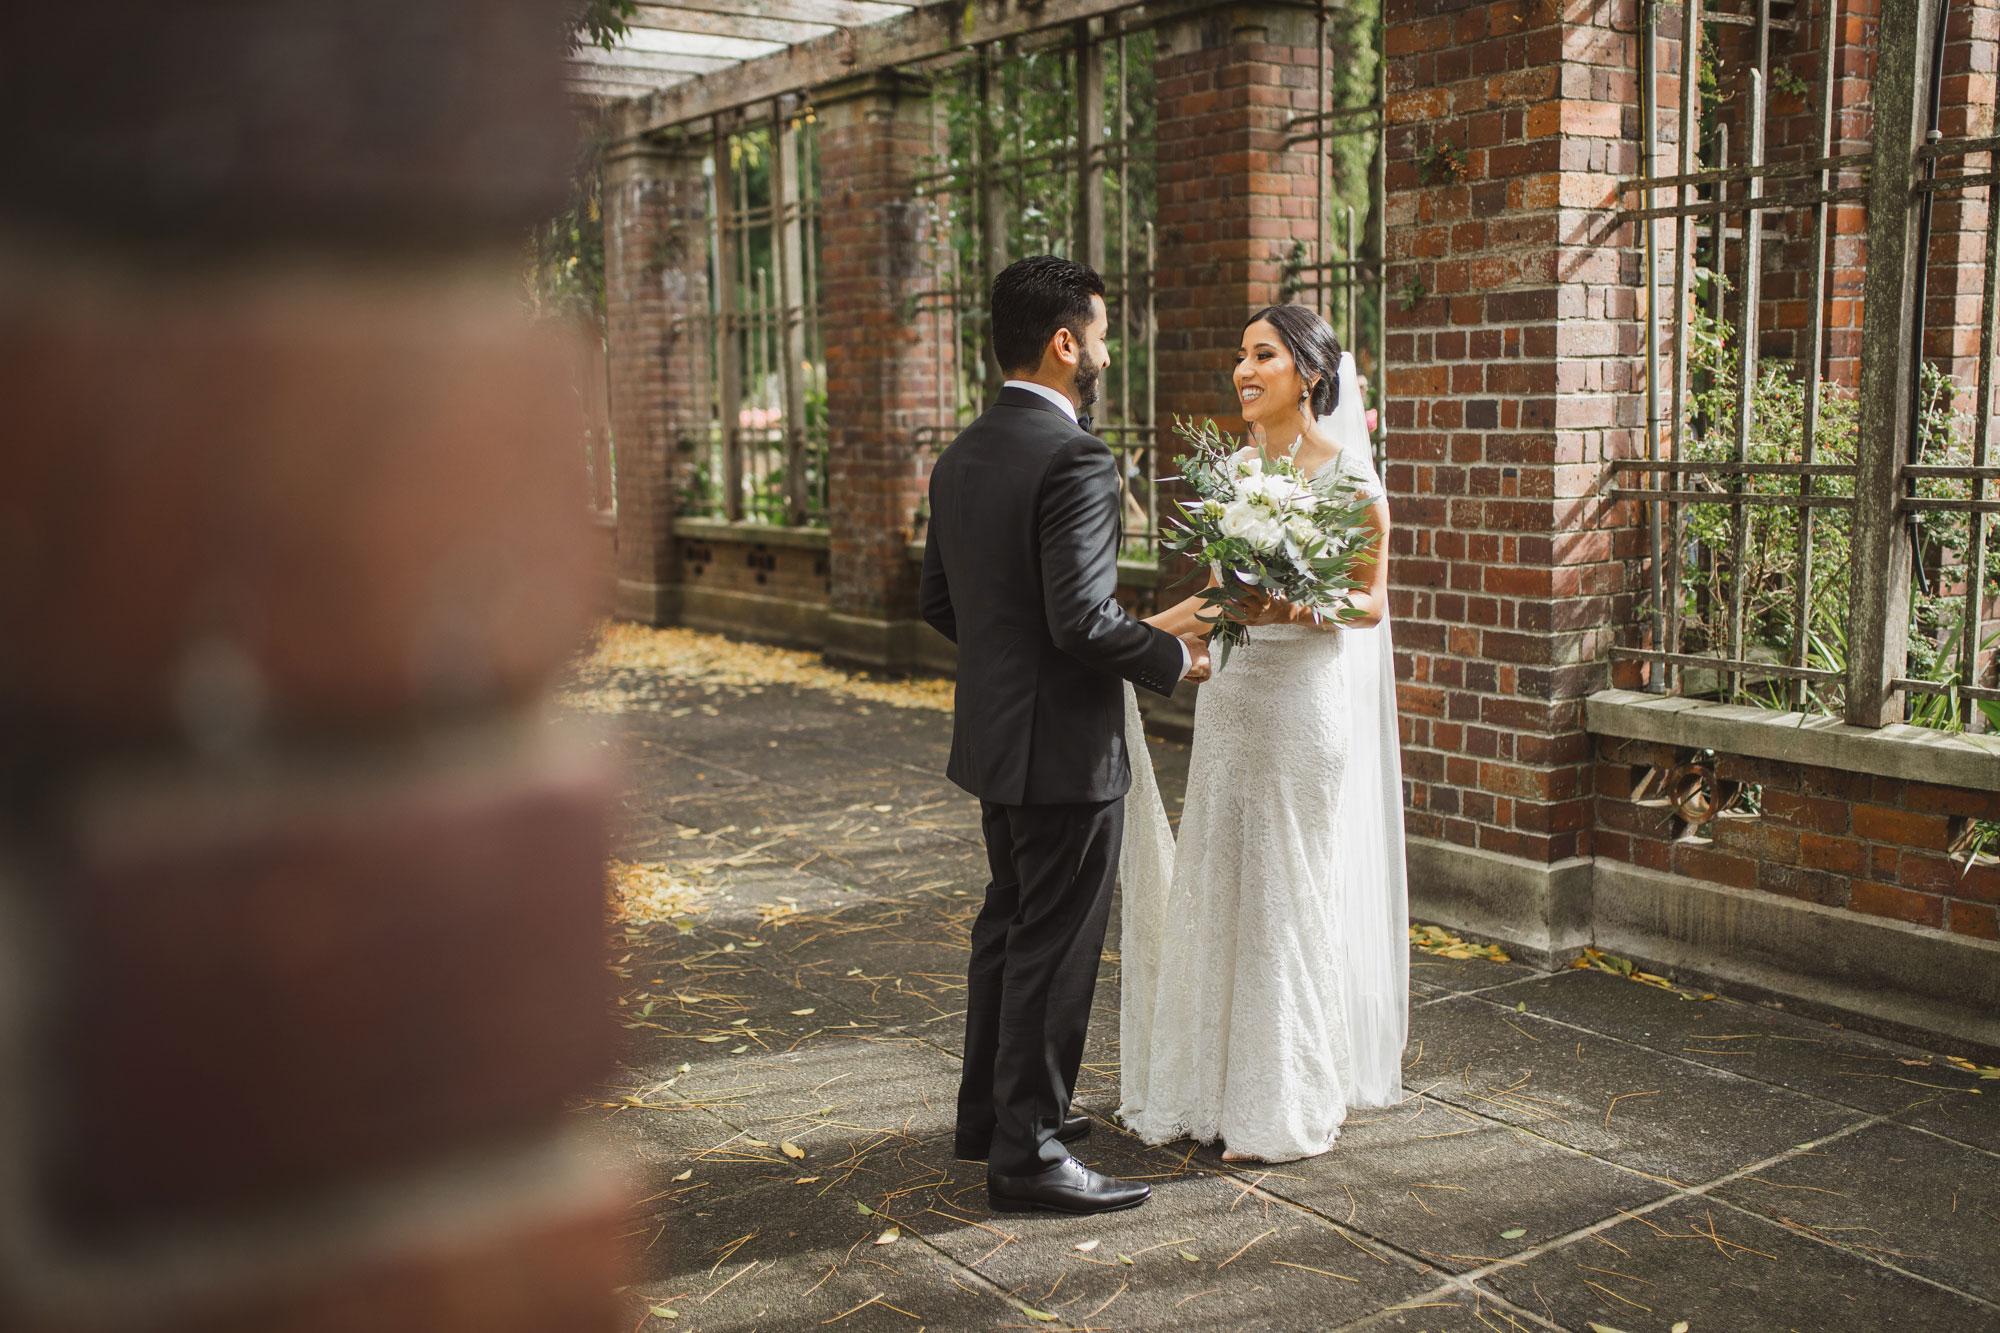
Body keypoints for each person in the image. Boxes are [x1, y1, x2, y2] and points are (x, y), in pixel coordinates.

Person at [919, 255, 1212, 1214]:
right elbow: (1082, 621)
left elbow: (941, 603)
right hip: (1063, 750)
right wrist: (1172, 662)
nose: (1107, 349)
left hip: (996, 740)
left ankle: (990, 1117)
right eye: (1101, 331)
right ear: (1063, 342)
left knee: (1008, 929)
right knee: (1054, 945)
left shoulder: (960, 454)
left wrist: (1017, 665)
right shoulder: (1076, 456)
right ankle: (1031, 1154)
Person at [1117, 304, 1409, 1163]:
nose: (1243, 370)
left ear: (1309, 375)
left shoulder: (1351, 479)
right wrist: (1126, 635)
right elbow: (1217, 602)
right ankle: (1205, 1087)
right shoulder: (1235, 474)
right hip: (1235, 699)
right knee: (1217, 870)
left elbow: (1372, 601)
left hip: (1302, 704)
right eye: (1239, 354)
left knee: (1287, 882)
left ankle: (1280, 1097)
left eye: (1263, 355)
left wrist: (1301, 599)